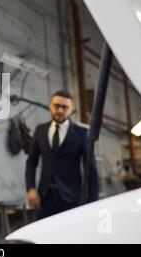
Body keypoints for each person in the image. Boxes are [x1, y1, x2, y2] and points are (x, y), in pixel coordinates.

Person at [25, 90, 99, 220]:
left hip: (71, 199)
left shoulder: (82, 133)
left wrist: (92, 203)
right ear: (50, 106)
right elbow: (31, 162)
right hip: (44, 197)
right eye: (56, 106)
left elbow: (91, 170)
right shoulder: (40, 130)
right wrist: (30, 188)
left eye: (64, 107)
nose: (59, 110)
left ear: (71, 110)